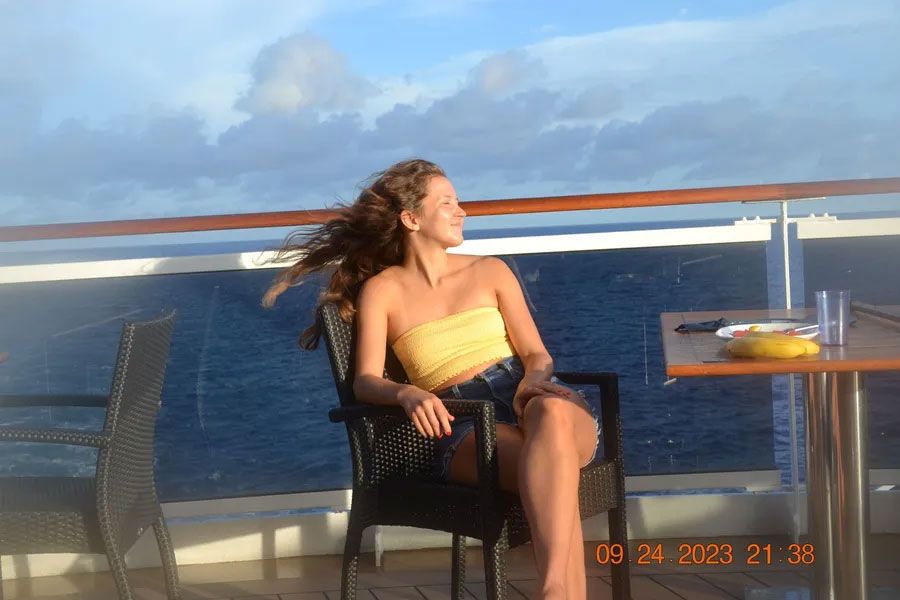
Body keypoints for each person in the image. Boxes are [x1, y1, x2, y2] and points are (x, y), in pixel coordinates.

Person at [264, 159, 601, 600]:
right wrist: (407, 392)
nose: (462, 211)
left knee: (553, 413)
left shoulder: (491, 271)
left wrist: (532, 382)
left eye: (459, 202)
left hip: (526, 394)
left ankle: (554, 592)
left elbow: (537, 354)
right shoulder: (384, 290)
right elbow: (365, 380)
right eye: (448, 203)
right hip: (461, 418)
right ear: (411, 218)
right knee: (553, 465)